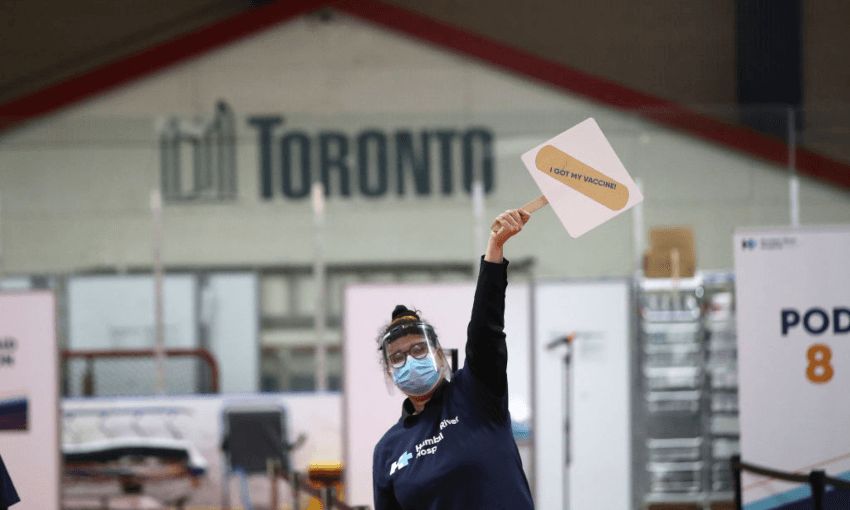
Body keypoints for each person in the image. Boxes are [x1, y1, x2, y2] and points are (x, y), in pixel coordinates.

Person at [372, 209, 535, 510]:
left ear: (439, 354)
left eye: (419, 349)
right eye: (397, 357)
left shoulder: (476, 393)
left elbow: (486, 329)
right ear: (389, 372)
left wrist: (494, 250)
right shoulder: (387, 450)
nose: (409, 360)